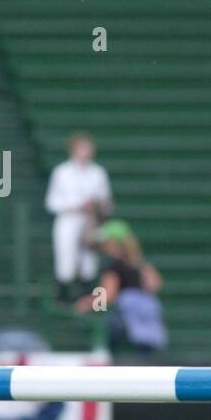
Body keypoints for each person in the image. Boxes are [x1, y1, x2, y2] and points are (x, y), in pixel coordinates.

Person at [74, 219, 168, 354]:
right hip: (144, 326)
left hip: (126, 324)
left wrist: (86, 304)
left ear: (112, 243)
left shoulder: (114, 266)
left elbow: (107, 295)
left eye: (105, 242)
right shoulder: (139, 264)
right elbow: (154, 284)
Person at [45, 134, 113, 300]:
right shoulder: (62, 172)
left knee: (89, 257)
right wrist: (75, 206)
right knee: (66, 255)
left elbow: (106, 201)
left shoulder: (98, 172)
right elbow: (52, 202)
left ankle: (87, 295)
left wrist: (96, 205)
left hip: (91, 220)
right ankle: (64, 295)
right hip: (69, 219)